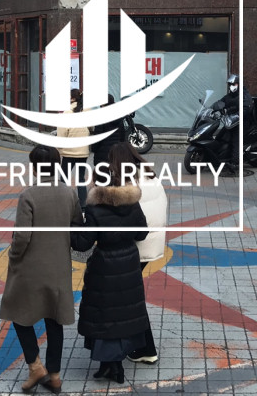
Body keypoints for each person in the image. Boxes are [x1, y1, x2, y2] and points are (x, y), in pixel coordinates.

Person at [0, 145, 83, 394]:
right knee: (54, 319)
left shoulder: (28, 195)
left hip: (30, 267)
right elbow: (77, 224)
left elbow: (22, 236)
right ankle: (54, 376)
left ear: (35, 167)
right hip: (59, 266)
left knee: (17, 313)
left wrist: (13, 256)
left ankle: (35, 366)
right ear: (57, 166)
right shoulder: (69, 193)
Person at [72, 157, 150, 384]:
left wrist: (74, 224)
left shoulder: (95, 208)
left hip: (104, 265)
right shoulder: (132, 203)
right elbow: (142, 232)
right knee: (122, 313)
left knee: (104, 314)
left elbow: (82, 244)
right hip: (129, 262)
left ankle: (110, 365)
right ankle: (113, 366)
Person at [106, 142, 167, 366]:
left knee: (129, 299)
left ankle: (146, 349)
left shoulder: (125, 183)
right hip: (152, 244)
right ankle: (138, 344)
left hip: (135, 247)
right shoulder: (150, 176)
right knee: (130, 296)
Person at [56, 88, 91, 210]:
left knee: (64, 178)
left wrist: (59, 149)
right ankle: (83, 205)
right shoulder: (87, 111)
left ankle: (65, 203)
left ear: (72, 98)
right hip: (83, 152)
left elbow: (61, 133)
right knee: (81, 179)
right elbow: (92, 127)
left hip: (69, 152)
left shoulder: (67, 113)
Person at [91, 94, 125, 169]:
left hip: (102, 153)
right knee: (115, 173)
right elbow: (122, 136)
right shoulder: (118, 117)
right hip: (116, 152)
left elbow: (98, 137)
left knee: (103, 174)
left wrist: (93, 149)